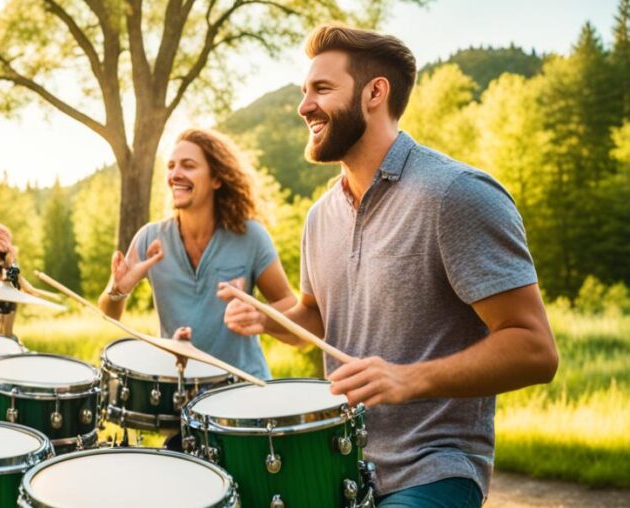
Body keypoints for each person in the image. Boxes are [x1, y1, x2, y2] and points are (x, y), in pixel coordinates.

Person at [218, 25, 558, 506]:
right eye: (303, 91)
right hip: (337, 464)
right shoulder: (320, 217)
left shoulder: (456, 194)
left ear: (375, 92)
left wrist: (407, 378)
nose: (304, 106)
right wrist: (270, 319)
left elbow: (535, 349)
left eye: (322, 89)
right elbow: (318, 316)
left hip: (434, 467)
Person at [97, 128, 296, 379]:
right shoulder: (150, 238)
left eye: (188, 166)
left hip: (244, 390)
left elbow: (289, 304)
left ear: (216, 179)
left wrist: (261, 316)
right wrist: (118, 290)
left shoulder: (251, 236)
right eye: (170, 166)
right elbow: (108, 312)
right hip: (180, 391)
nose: (175, 175)